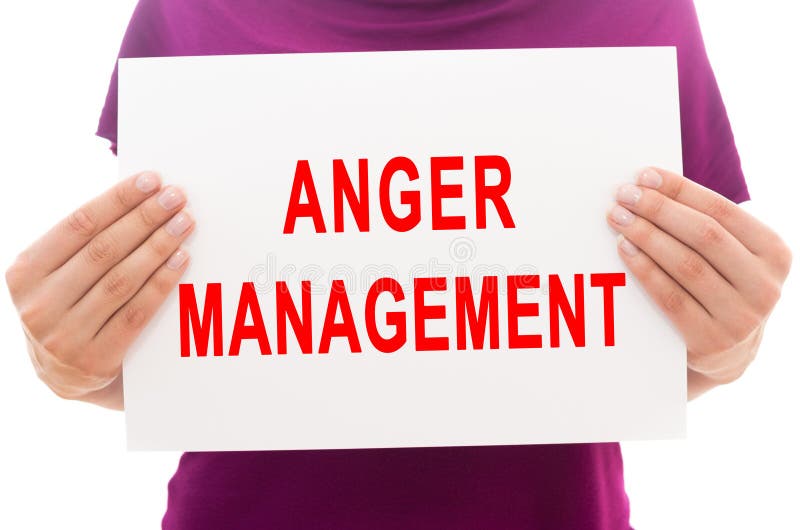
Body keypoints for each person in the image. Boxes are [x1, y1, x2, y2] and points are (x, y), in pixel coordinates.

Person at [4, 1, 792, 529]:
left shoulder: (639, 11)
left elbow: (621, 352)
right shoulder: (189, 7)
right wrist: (77, 371)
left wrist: (722, 355)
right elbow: (196, 350)